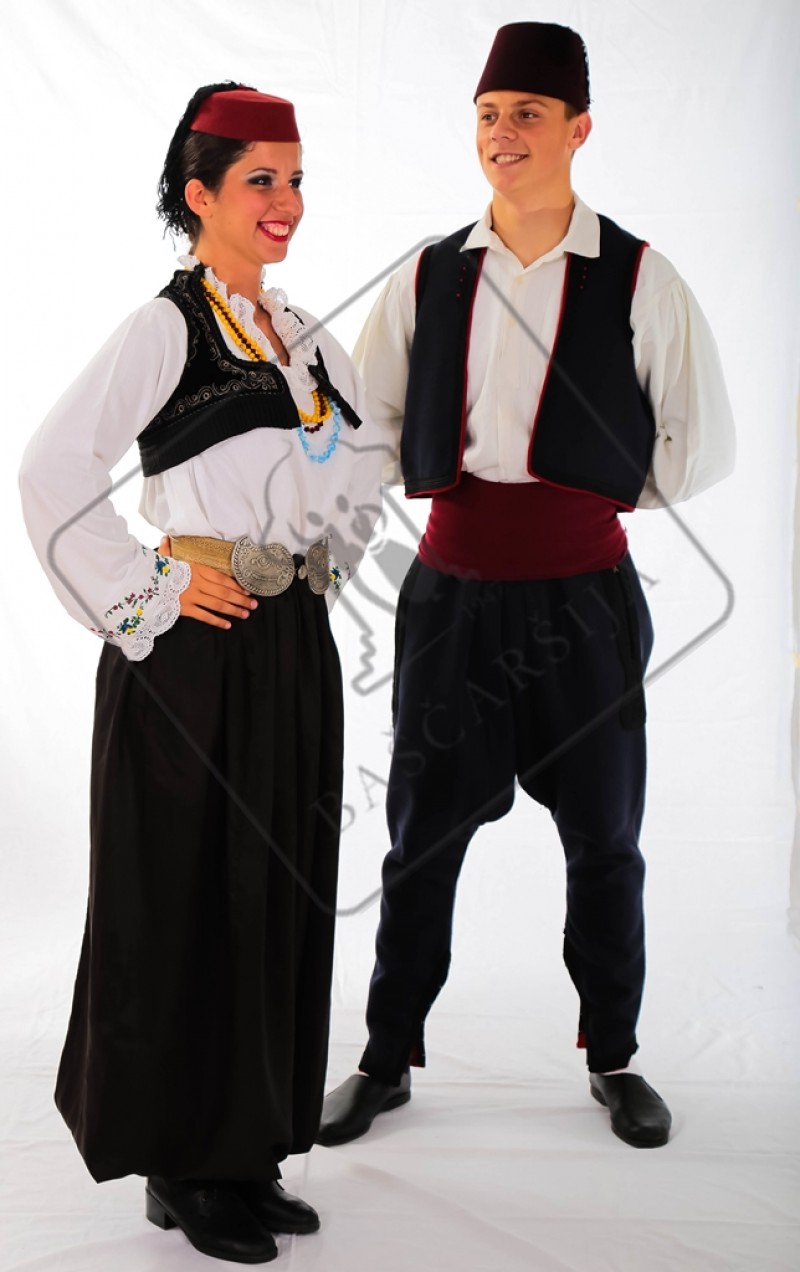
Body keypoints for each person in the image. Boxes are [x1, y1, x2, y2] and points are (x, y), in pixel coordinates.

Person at [317, 23, 735, 1152]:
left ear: (578, 129)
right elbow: (369, 421)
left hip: (585, 601)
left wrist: (580, 502)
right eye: (490, 114)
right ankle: (385, 1056)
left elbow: (699, 440)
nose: (503, 134)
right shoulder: (428, 273)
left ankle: (614, 1056)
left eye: (529, 115)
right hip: (449, 599)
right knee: (419, 840)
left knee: (605, 838)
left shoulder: (640, 276)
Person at [20, 83, 385, 1263]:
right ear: (199, 194)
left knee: (274, 887)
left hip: (289, 643)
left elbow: (359, 459)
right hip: (192, 649)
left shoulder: (305, 335)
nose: (286, 201)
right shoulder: (166, 328)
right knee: (185, 892)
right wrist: (151, 587)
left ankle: (246, 1150)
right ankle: (180, 1164)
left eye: (295, 179)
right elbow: (50, 469)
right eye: (259, 180)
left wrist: (318, 554)